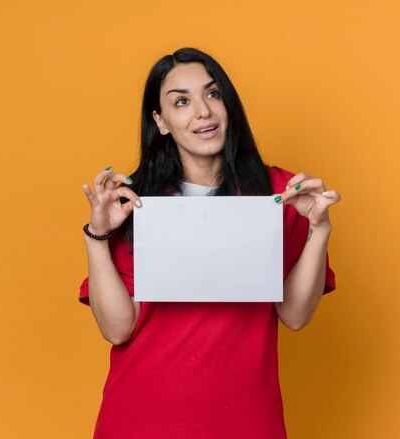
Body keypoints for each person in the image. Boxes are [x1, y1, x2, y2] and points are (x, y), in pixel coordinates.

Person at [79, 48, 341, 439]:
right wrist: (98, 236)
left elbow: (296, 316)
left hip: (246, 419)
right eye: (181, 102)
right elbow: (118, 330)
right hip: (140, 418)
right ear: (161, 121)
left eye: (213, 94)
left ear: (229, 106)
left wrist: (319, 229)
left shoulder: (278, 194)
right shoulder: (133, 200)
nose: (202, 111)